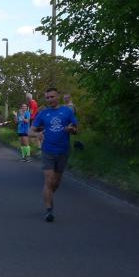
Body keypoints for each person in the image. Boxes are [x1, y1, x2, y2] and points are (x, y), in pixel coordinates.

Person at [30, 87, 78, 222]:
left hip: (63, 150)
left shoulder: (67, 111)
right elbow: (30, 131)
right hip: (48, 150)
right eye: (47, 97)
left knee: (56, 182)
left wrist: (71, 129)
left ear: (58, 96)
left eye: (52, 97)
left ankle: (48, 194)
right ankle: (49, 210)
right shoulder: (43, 113)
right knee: (49, 179)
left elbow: (76, 129)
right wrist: (37, 134)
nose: (50, 99)